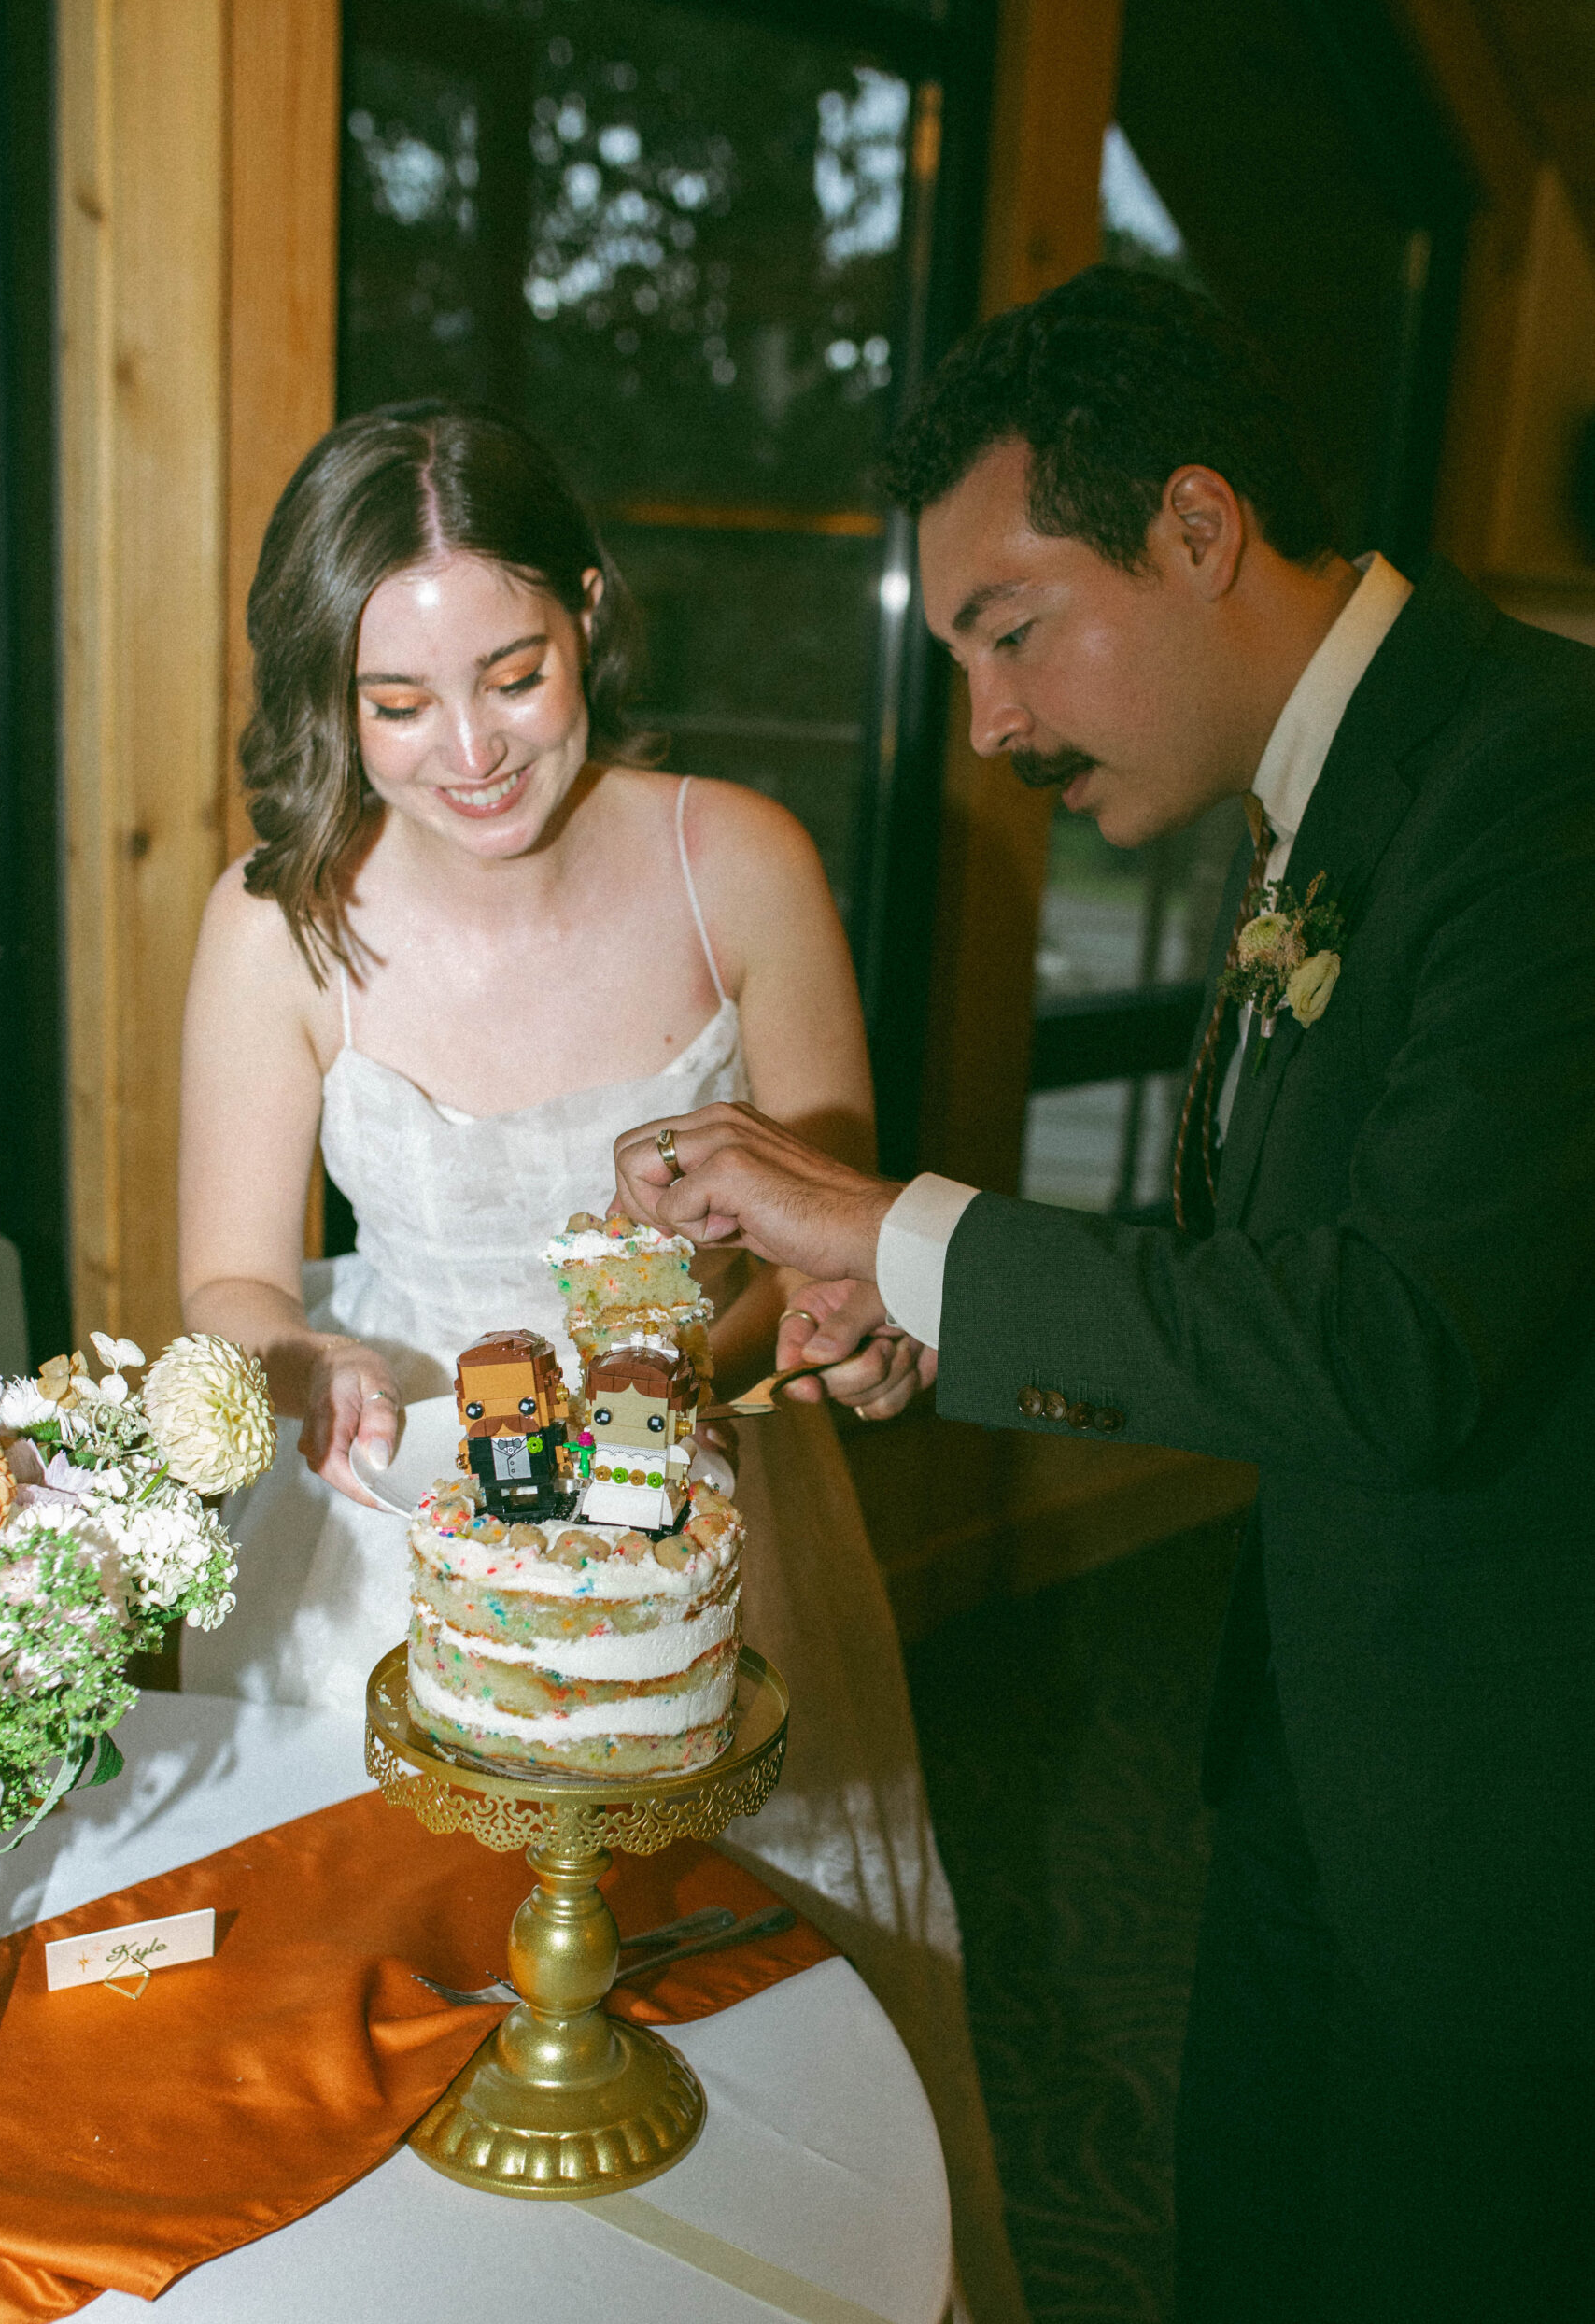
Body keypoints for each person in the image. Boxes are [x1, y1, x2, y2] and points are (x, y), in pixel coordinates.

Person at [613, 268, 1595, 2323]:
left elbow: (1397, 1342)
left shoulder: (1546, 783)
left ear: (1199, 529)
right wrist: (942, 1319)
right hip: (1304, 1749)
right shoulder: (1317, 799)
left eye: (1009, 628)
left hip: (1508, 1826)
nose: (985, 720)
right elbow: (1262, 1287)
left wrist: (889, 1220)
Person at [176, 402, 1026, 2324]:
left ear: (588, 615)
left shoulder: (742, 858)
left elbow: (824, 1253)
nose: (468, 752)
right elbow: (228, 1277)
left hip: (690, 1541)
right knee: (357, 2129)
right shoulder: (275, 919)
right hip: (389, 1553)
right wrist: (310, 1355)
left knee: (748, 2086)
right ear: (333, 697)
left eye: (513, 672)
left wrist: (697, 1364)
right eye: (398, 702)